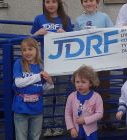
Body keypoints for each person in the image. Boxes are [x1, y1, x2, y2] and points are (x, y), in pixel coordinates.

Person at [30, 0, 73, 136]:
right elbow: (30, 40)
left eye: (54, 1)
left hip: (62, 62)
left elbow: (73, 41)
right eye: (47, 1)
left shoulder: (66, 19)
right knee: (47, 95)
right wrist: (38, 32)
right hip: (45, 63)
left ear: (58, 3)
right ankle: (47, 126)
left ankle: (59, 125)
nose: (51, 4)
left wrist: (64, 33)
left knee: (60, 95)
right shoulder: (39, 18)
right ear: (44, 4)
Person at [74, 0, 114, 130]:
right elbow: (74, 39)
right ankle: (89, 121)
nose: (88, 3)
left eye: (91, 0)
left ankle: (106, 121)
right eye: (85, 1)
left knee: (104, 92)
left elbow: (113, 35)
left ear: (97, 3)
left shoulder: (104, 17)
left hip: (103, 63)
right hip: (86, 65)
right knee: (87, 93)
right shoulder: (78, 20)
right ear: (82, 4)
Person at [13, 37, 54, 140]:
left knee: (35, 137)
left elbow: (43, 88)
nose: (27, 52)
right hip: (21, 108)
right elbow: (18, 83)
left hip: (37, 109)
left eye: (30, 49)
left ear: (37, 49)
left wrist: (50, 82)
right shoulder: (19, 63)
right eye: (24, 50)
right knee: (21, 137)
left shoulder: (41, 65)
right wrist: (37, 76)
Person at [65, 65, 103, 140]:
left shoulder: (96, 97)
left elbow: (99, 114)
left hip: (91, 132)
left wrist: (85, 120)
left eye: (83, 82)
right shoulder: (71, 97)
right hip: (76, 131)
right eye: (77, 82)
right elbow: (67, 114)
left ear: (90, 83)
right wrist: (71, 128)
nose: (80, 84)